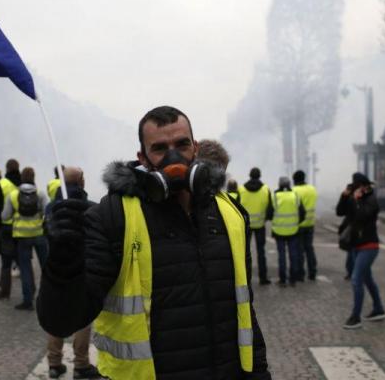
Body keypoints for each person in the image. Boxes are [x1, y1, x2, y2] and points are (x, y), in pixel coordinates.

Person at [38, 106, 270, 380]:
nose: (174, 156)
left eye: (181, 144)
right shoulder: (113, 218)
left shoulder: (229, 212)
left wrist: (259, 373)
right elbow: (62, 321)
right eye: (159, 148)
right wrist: (63, 263)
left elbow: (244, 311)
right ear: (143, 158)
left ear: (195, 148)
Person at [44, 166, 102, 379]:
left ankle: (54, 363)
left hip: (55, 268)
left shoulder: (51, 208)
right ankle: (81, 364)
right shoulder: (91, 207)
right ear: (82, 181)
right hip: (82, 269)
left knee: (55, 315)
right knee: (82, 319)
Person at [337, 172, 385, 330]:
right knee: (367, 279)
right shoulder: (354, 198)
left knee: (356, 278)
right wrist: (345, 196)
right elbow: (340, 212)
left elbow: (364, 215)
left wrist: (357, 200)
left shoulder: (371, 200)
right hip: (355, 245)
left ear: (365, 187)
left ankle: (355, 317)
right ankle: (378, 309)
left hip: (369, 245)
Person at [3, 166, 48, 310]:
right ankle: (50, 297)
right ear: (34, 177)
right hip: (39, 235)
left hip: (22, 238)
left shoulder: (13, 195)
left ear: (22, 177)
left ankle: (28, 300)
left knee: (25, 269)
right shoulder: (40, 194)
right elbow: (47, 212)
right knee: (46, 268)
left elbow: (5, 216)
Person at [238, 167, 274, 285]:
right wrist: (265, 219)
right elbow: (270, 209)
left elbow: (236, 207)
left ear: (249, 175)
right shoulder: (265, 190)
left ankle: (245, 279)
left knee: (245, 253)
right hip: (260, 225)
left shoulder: (241, 189)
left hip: (246, 226)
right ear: (259, 176)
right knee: (261, 252)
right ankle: (263, 278)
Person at [0, 159, 22, 300]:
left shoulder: (2, 184)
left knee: (5, 261)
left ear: (7, 169)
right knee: (23, 261)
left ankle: (4, 291)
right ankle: (28, 294)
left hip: (6, 226)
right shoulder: (25, 182)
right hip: (22, 227)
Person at [271, 177, 305, 287]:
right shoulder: (295, 195)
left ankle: (282, 279)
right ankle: (293, 279)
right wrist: (296, 222)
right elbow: (302, 213)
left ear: (279, 184)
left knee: (281, 255)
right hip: (293, 230)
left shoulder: (275, 196)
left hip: (278, 230)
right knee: (293, 255)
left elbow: (269, 213)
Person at [292, 170, 318, 281]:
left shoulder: (294, 191)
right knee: (309, 248)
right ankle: (312, 272)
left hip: (298, 224)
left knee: (299, 250)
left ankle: (300, 274)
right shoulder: (312, 189)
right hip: (310, 223)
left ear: (294, 180)